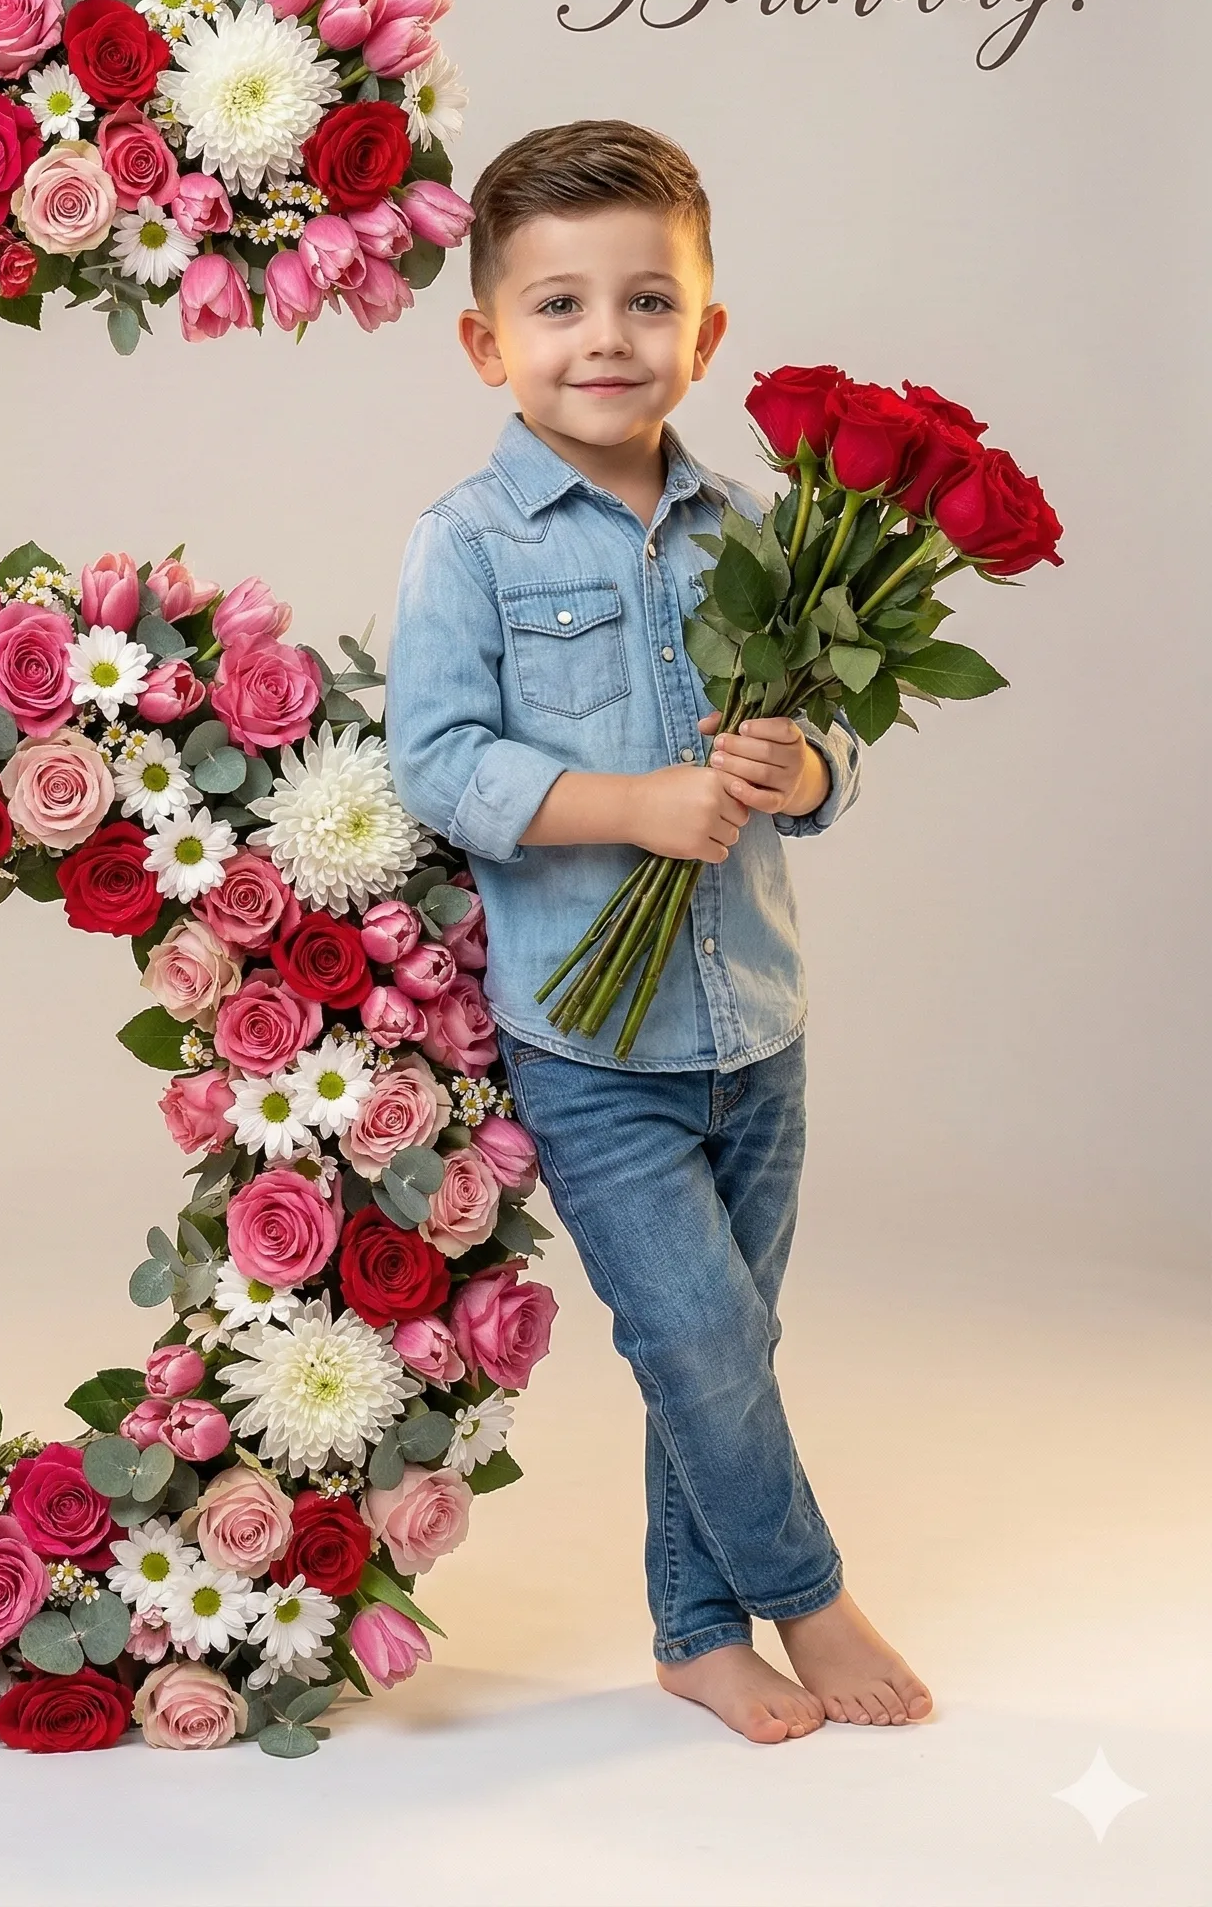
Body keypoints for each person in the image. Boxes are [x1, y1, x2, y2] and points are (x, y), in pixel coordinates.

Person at [386, 118, 932, 1744]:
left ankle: (697, 1632)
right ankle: (807, 1592)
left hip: (756, 1021)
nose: (605, 338)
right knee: (692, 1338)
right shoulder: (468, 544)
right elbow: (439, 762)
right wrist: (630, 803)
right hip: (592, 1037)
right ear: (487, 343)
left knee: (734, 1346)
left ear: (706, 331)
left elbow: (834, 752)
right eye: (558, 306)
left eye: (646, 302)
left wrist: (801, 769)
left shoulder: (761, 530)